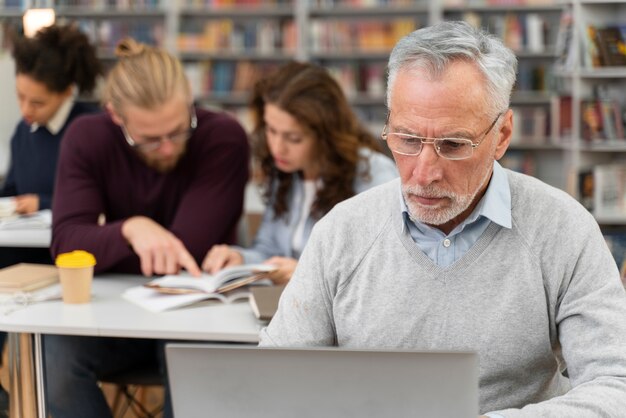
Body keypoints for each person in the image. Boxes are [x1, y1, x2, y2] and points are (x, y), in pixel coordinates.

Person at [260, 21, 626, 417]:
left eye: (453, 145)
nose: (424, 172)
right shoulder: (341, 231)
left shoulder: (562, 229)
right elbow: (276, 379)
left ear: (501, 135)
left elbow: (615, 382)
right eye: (407, 140)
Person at [45, 38, 249, 418]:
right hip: (113, 314)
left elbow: (183, 252)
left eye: (178, 130)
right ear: (115, 116)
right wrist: (130, 230)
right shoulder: (87, 138)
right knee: (54, 355)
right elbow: (65, 245)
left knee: (191, 362)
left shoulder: (223, 137)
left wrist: (103, 246)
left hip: (198, 314)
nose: (168, 148)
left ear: (190, 101)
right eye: (150, 139)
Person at [202, 61, 398, 283]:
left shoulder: (374, 174)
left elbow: (387, 267)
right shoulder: (286, 172)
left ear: (325, 135)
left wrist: (309, 277)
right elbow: (269, 251)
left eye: (294, 138)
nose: (277, 147)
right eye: (271, 130)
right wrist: (240, 258)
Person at [0, 24, 102, 268]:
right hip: (22, 252)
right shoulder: (24, 132)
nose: (25, 110)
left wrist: (43, 203)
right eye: (20, 96)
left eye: (37, 102)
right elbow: (12, 191)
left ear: (66, 92)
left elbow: (104, 203)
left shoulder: (92, 130)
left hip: (72, 257)